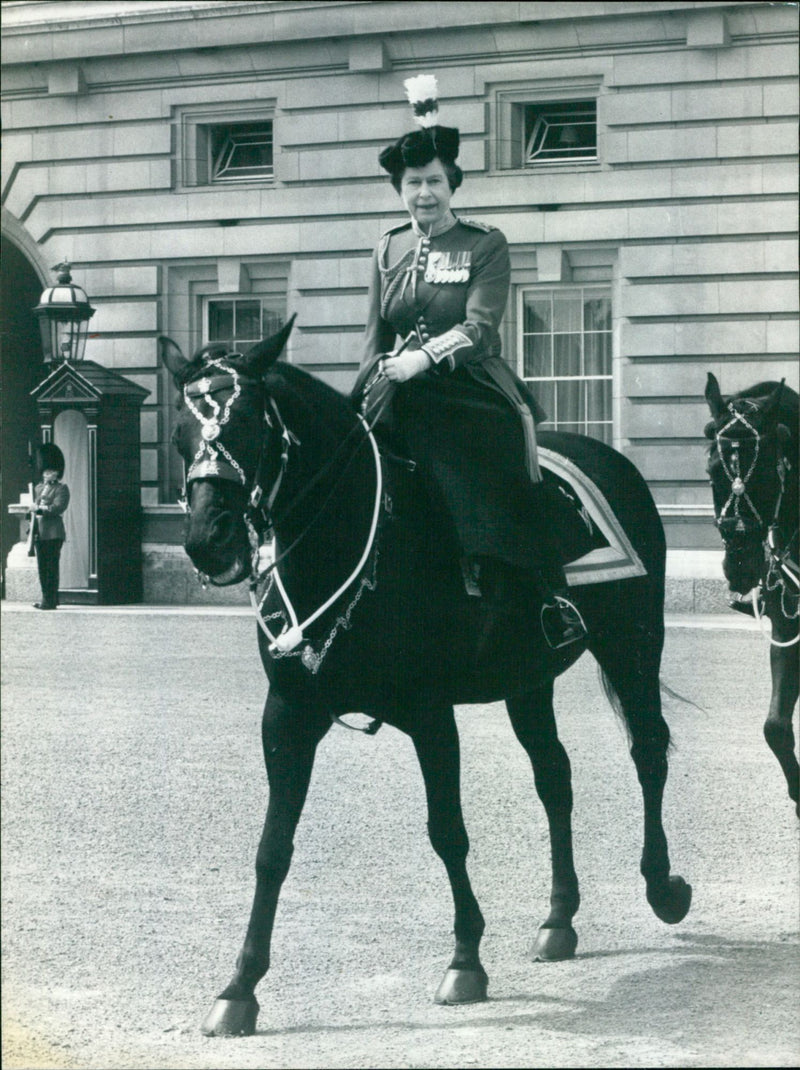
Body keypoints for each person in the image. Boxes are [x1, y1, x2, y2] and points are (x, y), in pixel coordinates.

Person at [352, 74, 587, 650]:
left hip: (468, 384)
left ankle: (542, 591)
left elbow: (480, 328)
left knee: (482, 463)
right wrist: (363, 389)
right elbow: (374, 332)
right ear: (399, 189)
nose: (424, 193)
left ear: (451, 184)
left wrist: (423, 361)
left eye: (434, 181)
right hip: (393, 384)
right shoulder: (387, 247)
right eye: (413, 183)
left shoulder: (484, 243)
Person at [31, 443, 70, 610]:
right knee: (42, 567)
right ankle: (48, 598)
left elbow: (57, 508)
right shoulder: (39, 488)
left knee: (51, 568)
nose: (48, 474)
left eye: (51, 472)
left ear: (57, 472)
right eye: (46, 472)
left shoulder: (62, 488)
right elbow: (35, 509)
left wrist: (40, 508)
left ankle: (49, 600)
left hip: (54, 533)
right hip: (40, 532)